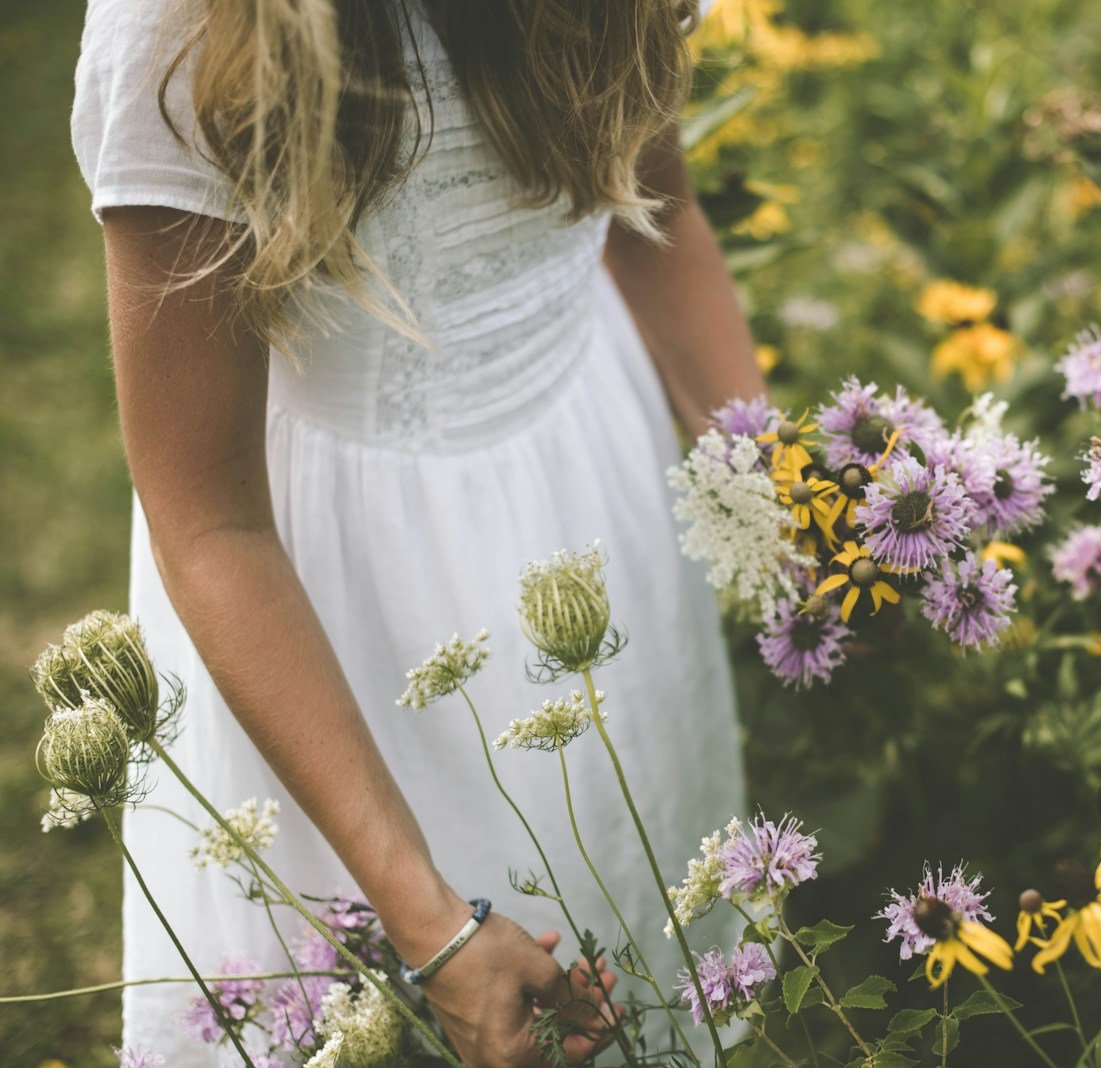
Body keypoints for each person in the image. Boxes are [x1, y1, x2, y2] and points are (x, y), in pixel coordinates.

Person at [70, 0, 759, 1062]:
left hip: (597, 484)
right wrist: (431, 927)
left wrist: (783, 497)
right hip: (333, 605)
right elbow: (207, 518)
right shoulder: (190, 31)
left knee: (632, 903)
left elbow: (655, 221)